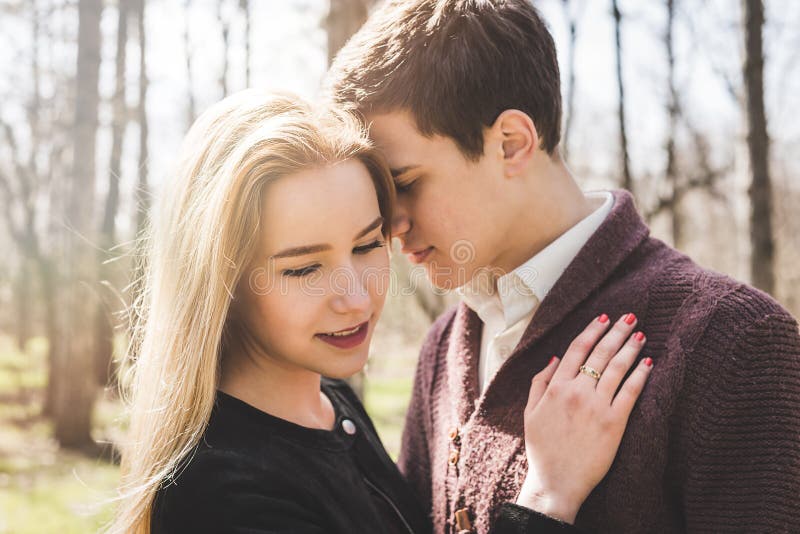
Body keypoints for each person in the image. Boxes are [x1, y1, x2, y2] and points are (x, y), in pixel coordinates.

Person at [325, 1, 800, 532]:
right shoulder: (443, 346)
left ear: (511, 144)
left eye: (406, 183)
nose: (391, 225)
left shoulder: (733, 339)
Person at [106, 90, 652, 534]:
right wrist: (546, 498)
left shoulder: (330, 402)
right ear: (221, 284)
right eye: (303, 269)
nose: (357, 297)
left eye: (367, 246)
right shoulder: (221, 494)